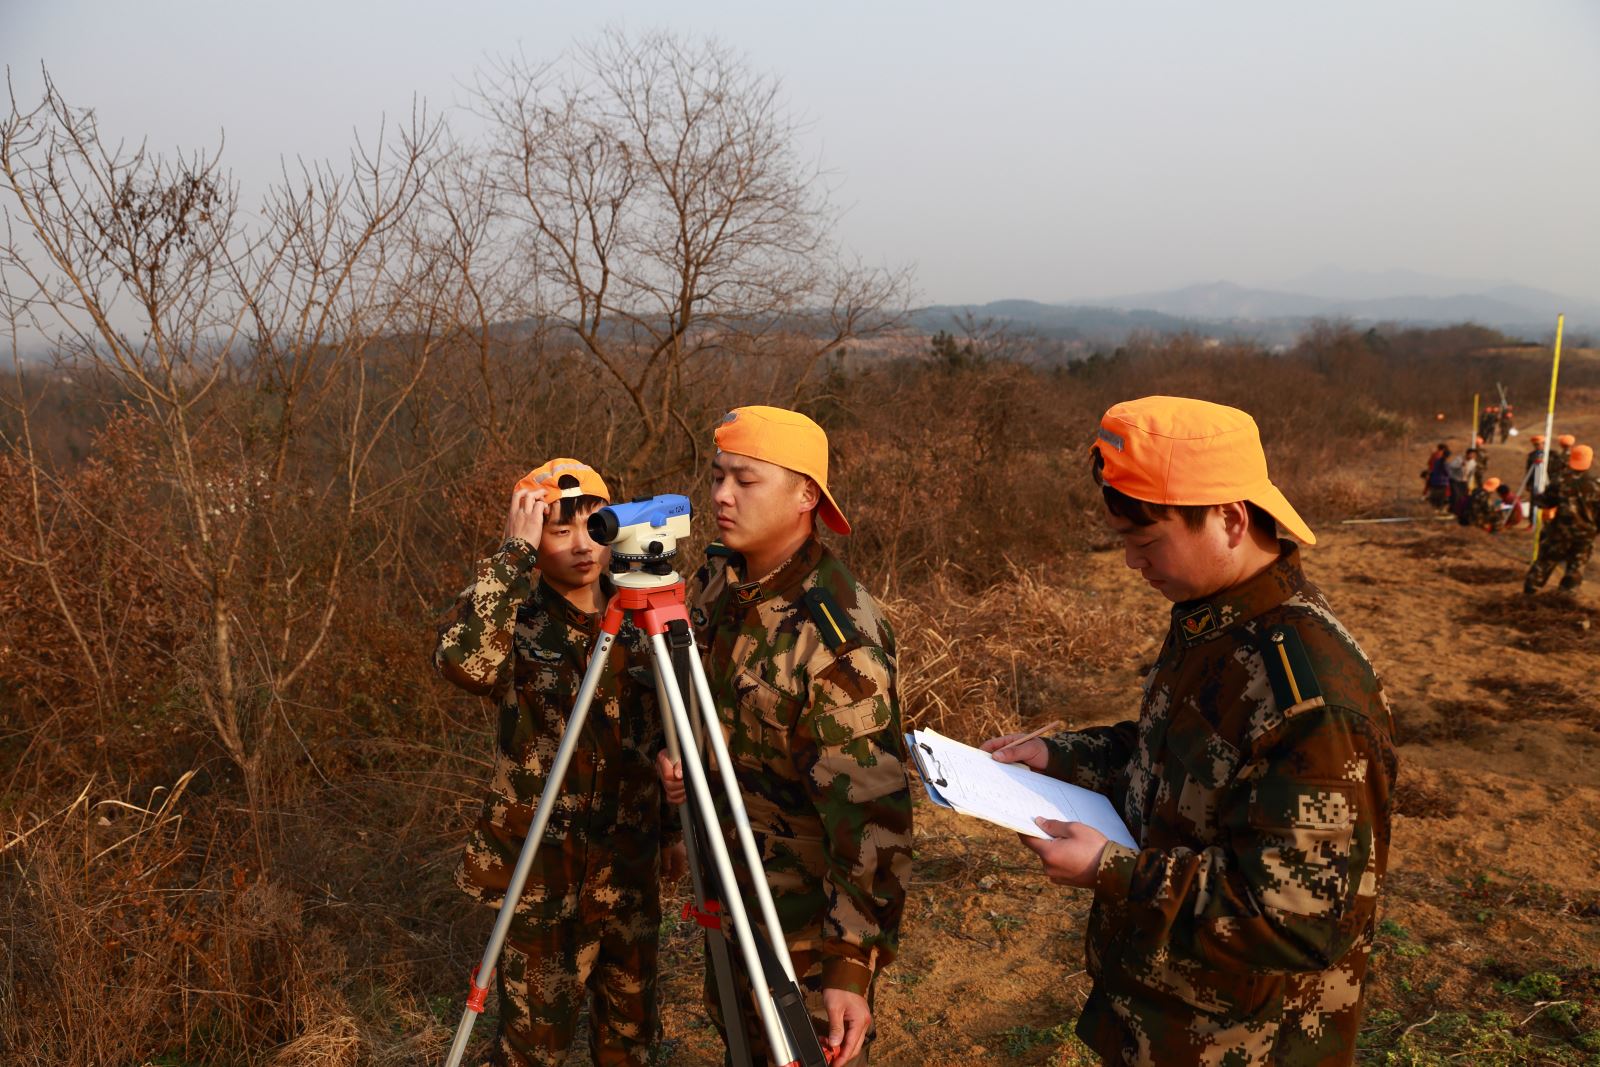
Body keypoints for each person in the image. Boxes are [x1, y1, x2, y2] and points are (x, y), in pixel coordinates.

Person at [983, 396, 1397, 1067]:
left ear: (1230, 519)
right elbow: (1173, 757)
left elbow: (1298, 921)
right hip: (1168, 1022)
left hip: (1245, 1045)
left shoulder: (1308, 693)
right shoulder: (1216, 623)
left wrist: (1110, 869)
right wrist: (1057, 757)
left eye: (1147, 542)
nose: (1132, 562)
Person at [657, 406, 912, 1066]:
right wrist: (681, 756)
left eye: (746, 480)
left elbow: (872, 818)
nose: (721, 495)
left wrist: (850, 963)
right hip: (728, 885)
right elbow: (705, 697)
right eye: (718, 476)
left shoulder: (835, 637)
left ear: (806, 497)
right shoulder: (720, 581)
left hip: (800, 927)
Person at [434, 459, 680, 1067]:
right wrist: (510, 556)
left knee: (630, 1041)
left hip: (628, 865)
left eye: (592, 525)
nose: (580, 546)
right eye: (558, 530)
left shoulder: (643, 611)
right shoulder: (515, 615)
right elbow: (464, 665)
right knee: (532, 1049)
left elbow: (667, 735)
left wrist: (674, 831)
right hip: (542, 875)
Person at [1525, 444, 1600, 595]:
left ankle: (1529, 594)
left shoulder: (1560, 480)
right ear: (1590, 460)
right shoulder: (1596, 484)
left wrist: (1537, 495)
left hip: (1560, 533)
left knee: (1545, 563)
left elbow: (1544, 502)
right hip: (1585, 536)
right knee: (1575, 569)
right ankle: (1565, 598)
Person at [1423, 444, 1451, 510]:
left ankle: (1432, 505)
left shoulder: (1434, 455)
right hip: (1441, 480)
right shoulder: (1439, 457)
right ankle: (1438, 507)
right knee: (1441, 495)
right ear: (1443, 449)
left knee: (1432, 491)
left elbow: (1429, 463)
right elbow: (1447, 472)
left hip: (1434, 477)